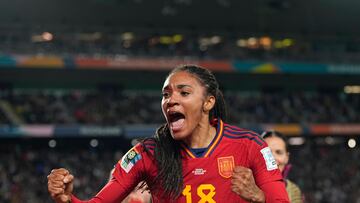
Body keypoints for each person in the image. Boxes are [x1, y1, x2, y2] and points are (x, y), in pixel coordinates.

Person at [47, 64, 289, 203]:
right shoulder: (146, 154)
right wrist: (67, 200)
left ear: (208, 103)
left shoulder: (249, 145)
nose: (171, 100)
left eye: (183, 93)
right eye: (165, 94)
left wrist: (259, 197)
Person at [262, 130, 303, 203]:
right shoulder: (244, 184)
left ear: (287, 157)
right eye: (267, 152)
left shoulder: (293, 190)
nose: (273, 158)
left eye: (279, 152)